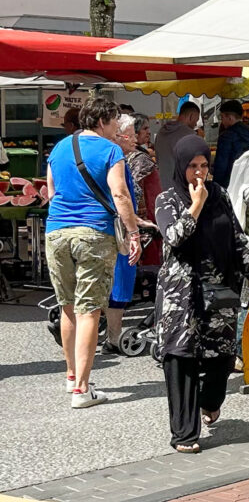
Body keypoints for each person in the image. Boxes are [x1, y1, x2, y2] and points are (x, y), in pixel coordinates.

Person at [154, 135, 249, 452]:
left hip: (219, 288)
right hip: (181, 294)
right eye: (192, 166)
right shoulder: (167, 200)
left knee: (223, 356)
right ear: (181, 166)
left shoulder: (219, 194)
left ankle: (210, 400)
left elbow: (237, 236)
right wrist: (196, 204)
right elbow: (175, 237)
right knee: (181, 358)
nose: (199, 173)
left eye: (204, 165)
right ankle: (184, 434)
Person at [45, 96, 151, 408]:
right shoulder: (110, 150)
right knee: (89, 309)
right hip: (93, 233)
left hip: (56, 232)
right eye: (116, 122)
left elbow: (51, 192)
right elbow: (120, 193)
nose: (118, 128)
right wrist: (133, 232)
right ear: (103, 122)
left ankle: (70, 375)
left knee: (67, 305)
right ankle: (82, 389)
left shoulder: (61, 147)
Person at [104, 114, 144, 353]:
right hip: (120, 229)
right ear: (118, 136)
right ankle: (114, 336)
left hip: (113, 225)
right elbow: (121, 197)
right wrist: (134, 229)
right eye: (130, 134)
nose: (135, 139)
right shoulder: (116, 161)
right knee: (120, 282)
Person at [127, 114, 164, 268]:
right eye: (145, 129)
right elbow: (147, 192)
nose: (149, 132)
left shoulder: (130, 156)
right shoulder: (141, 160)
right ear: (134, 133)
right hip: (146, 217)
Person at [212, 99, 249, 189]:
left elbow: (221, 164)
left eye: (222, 118)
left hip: (230, 182)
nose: (222, 121)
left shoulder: (226, 136)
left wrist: (216, 186)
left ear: (230, 118)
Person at [155, 102, 201, 189]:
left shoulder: (161, 132)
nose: (195, 124)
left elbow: (157, 158)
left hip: (163, 186)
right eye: (196, 120)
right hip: (182, 189)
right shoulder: (189, 136)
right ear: (191, 116)